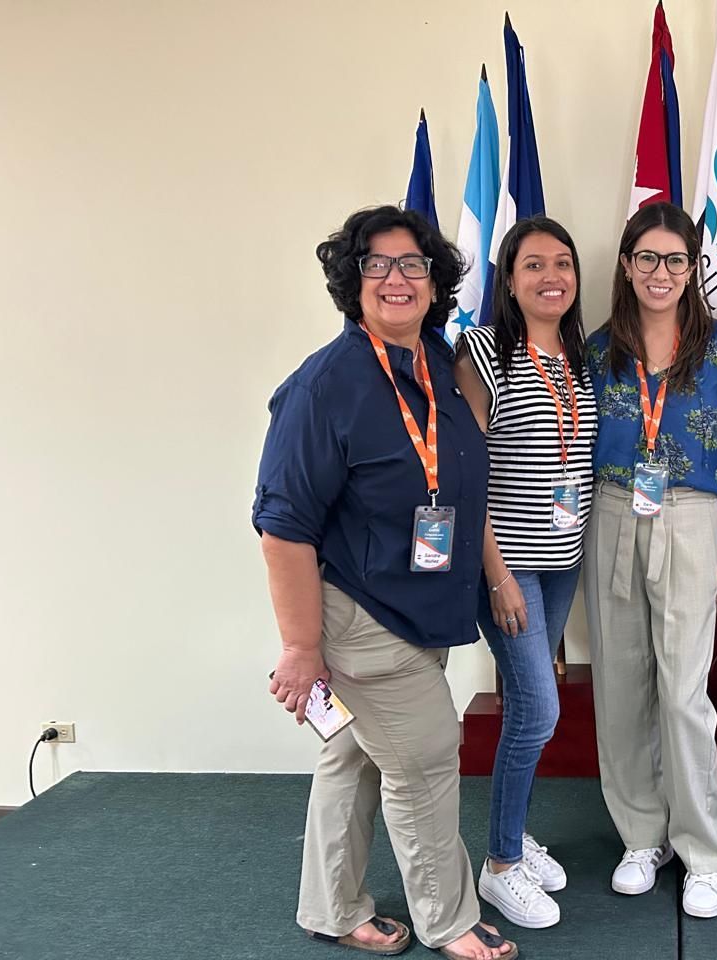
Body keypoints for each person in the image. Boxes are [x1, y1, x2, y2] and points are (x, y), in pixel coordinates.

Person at [254, 205, 516, 960]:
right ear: (351, 282)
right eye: (378, 265)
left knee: (354, 756)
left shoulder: (434, 360)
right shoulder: (324, 386)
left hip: (417, 607)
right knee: (426, 760)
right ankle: (449, 920)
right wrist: (302, 648)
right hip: (362, 617)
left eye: (413, 265)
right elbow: (283, 528)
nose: (397, 279)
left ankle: (331, 908)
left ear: (436, 283)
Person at [583, 201, 717, 919]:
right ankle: (640, 836)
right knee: (621, 687)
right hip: (612, 511)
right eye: (648, 259)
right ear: (627, 265)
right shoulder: (597, 350)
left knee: (684, 694)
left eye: (675, 260)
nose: (661, 273)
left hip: (692, 517)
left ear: (694, 269)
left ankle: (703, 853)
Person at [453, 217, 596, 929]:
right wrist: (499, 576)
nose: (552, 277)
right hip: (505, 566)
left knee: (526, 713)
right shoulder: (483, 351)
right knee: (539, 710)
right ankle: (501, 865)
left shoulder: (578, 355)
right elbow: (464, 472)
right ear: (508, 279)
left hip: (561, 560)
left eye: (563, 263)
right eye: (534, 264)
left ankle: (514, 836)